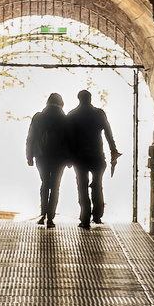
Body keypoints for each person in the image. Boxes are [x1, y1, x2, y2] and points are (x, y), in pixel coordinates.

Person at [65, 90, 121, 228]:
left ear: (78, 99)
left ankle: (85, 218)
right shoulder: (99, 114)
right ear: (90, 98)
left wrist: (68, 157)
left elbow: (67, 138)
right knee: (97, 185)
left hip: (79, 157)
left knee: (82, 187)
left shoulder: (72, 115)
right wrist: (113, 150)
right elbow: (108, 133)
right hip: (97, 155)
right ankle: (97, 216)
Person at [25, 92, 70, 228]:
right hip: (59, 157)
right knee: (55, 186)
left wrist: (29, 156)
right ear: (61, 103)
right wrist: (69, 159)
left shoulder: (38, 117)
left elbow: (31, 138)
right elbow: (70, 140)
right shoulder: (65, 119)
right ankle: (51, 218)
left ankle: (43, 214)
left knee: (45, 184)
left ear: (47, 102)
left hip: (41, 155)